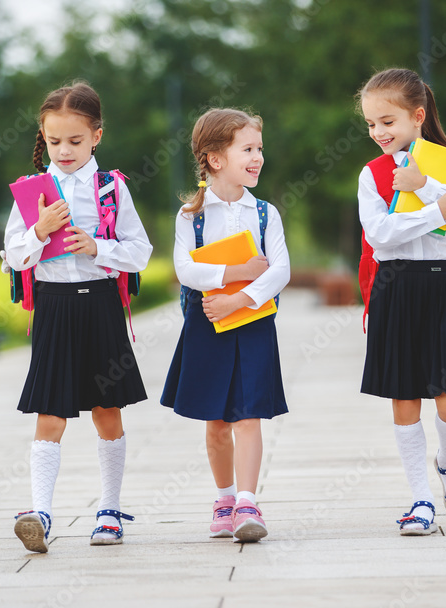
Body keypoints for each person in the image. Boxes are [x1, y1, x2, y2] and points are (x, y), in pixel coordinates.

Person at [2, 81, 152, 551]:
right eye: (53, 141)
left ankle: (109, 510)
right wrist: (39, 231)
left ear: (97, 137)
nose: (63, 151)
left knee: (108, 410)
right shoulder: (31, 192)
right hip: (54, 306)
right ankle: (41, 514)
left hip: (102, 304)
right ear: (42, 139)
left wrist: (98, 247)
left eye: (75, 141)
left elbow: (140, 251)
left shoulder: (112, 189)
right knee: (50, 411)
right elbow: (12, 257)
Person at [357, 68, 446, 535]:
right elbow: (379, 236)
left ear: (417, 116)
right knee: (405, 397)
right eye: (372, 124)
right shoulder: (371, 175)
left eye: (387, 121)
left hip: (437, 289)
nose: (379, 133)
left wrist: (424, 187)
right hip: (392, 288)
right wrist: (435, 209)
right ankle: (420, 499)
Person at [160, 108, 290, 543]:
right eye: (247, 149)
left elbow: (280, 270)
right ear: (215, 159)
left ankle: (249, 502)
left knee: (249, 413)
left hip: (252, 321)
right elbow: (185, 271)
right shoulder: (189, 216)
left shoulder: (267, 213)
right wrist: (238, 273)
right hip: (207, 323)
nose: (257, 158)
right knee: (216, 421)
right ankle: (224, 498)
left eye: (259, 149)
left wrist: (240, 297)